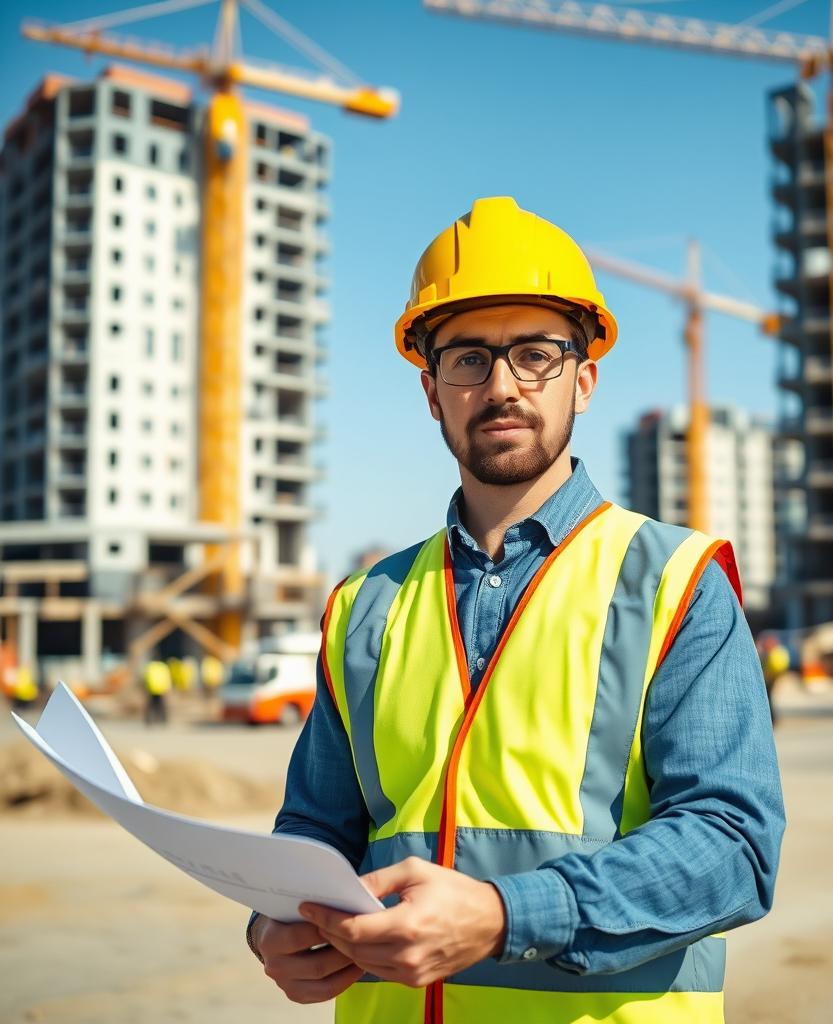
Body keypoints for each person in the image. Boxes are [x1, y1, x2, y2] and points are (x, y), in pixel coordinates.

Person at [246, 197, 785, 1023]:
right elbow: (317, 826)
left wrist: (504, 917)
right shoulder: (365, 605)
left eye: (535, 354)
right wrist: (276, 920)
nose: (501, 386)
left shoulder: (676, 580)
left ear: (585, 378)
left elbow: (734, 848)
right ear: (432, 391)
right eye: (467, 359)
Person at [758, 633, 791, 726]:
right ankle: (773, 719)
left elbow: (764, 666)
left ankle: (772, 719)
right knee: (770, 699)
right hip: (773, 677)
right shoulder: (779, 651)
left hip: (769, 679)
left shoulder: (769, 653)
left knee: (769, 699)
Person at [142, 659, 171, 726]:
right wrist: (167, 687)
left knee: (151, 705)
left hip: (152, 688)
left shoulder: (150, 666)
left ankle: (149, 720)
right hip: (160, 688)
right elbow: (166, 678)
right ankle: (162, 720)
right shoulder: (163, 667)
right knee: (160, 705)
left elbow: (146, 677)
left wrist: (145, 687)